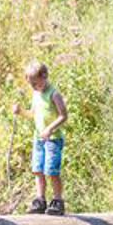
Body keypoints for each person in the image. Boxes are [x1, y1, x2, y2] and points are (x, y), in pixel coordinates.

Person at [12, 60, 68, 215]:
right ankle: (40, 199)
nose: (34, 87)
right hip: (39, 138)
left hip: (53, 139)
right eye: (31, 84)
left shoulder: (54, 94)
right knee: (38, 169)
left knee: (51, 170)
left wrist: (50, 129)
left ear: (45, 77)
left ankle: (58, 200)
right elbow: (32, 114)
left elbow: (64, 116)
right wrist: (21, 111)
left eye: (35, 83)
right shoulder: (36, 93)